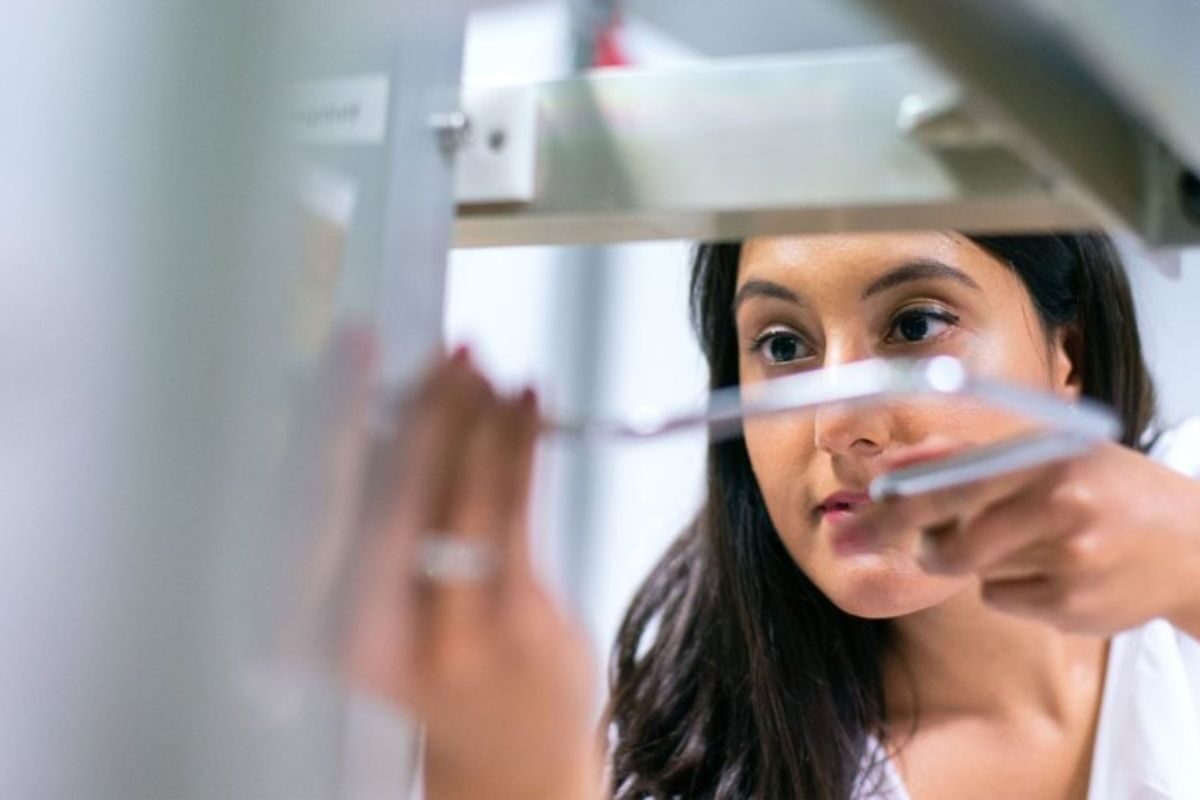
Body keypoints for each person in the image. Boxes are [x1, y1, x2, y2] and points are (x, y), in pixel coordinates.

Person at [343, 231, 1200, 799]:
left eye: (914, 325)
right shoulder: (708, 764)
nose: (837, 426)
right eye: (784, 346)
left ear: (1069, 357)